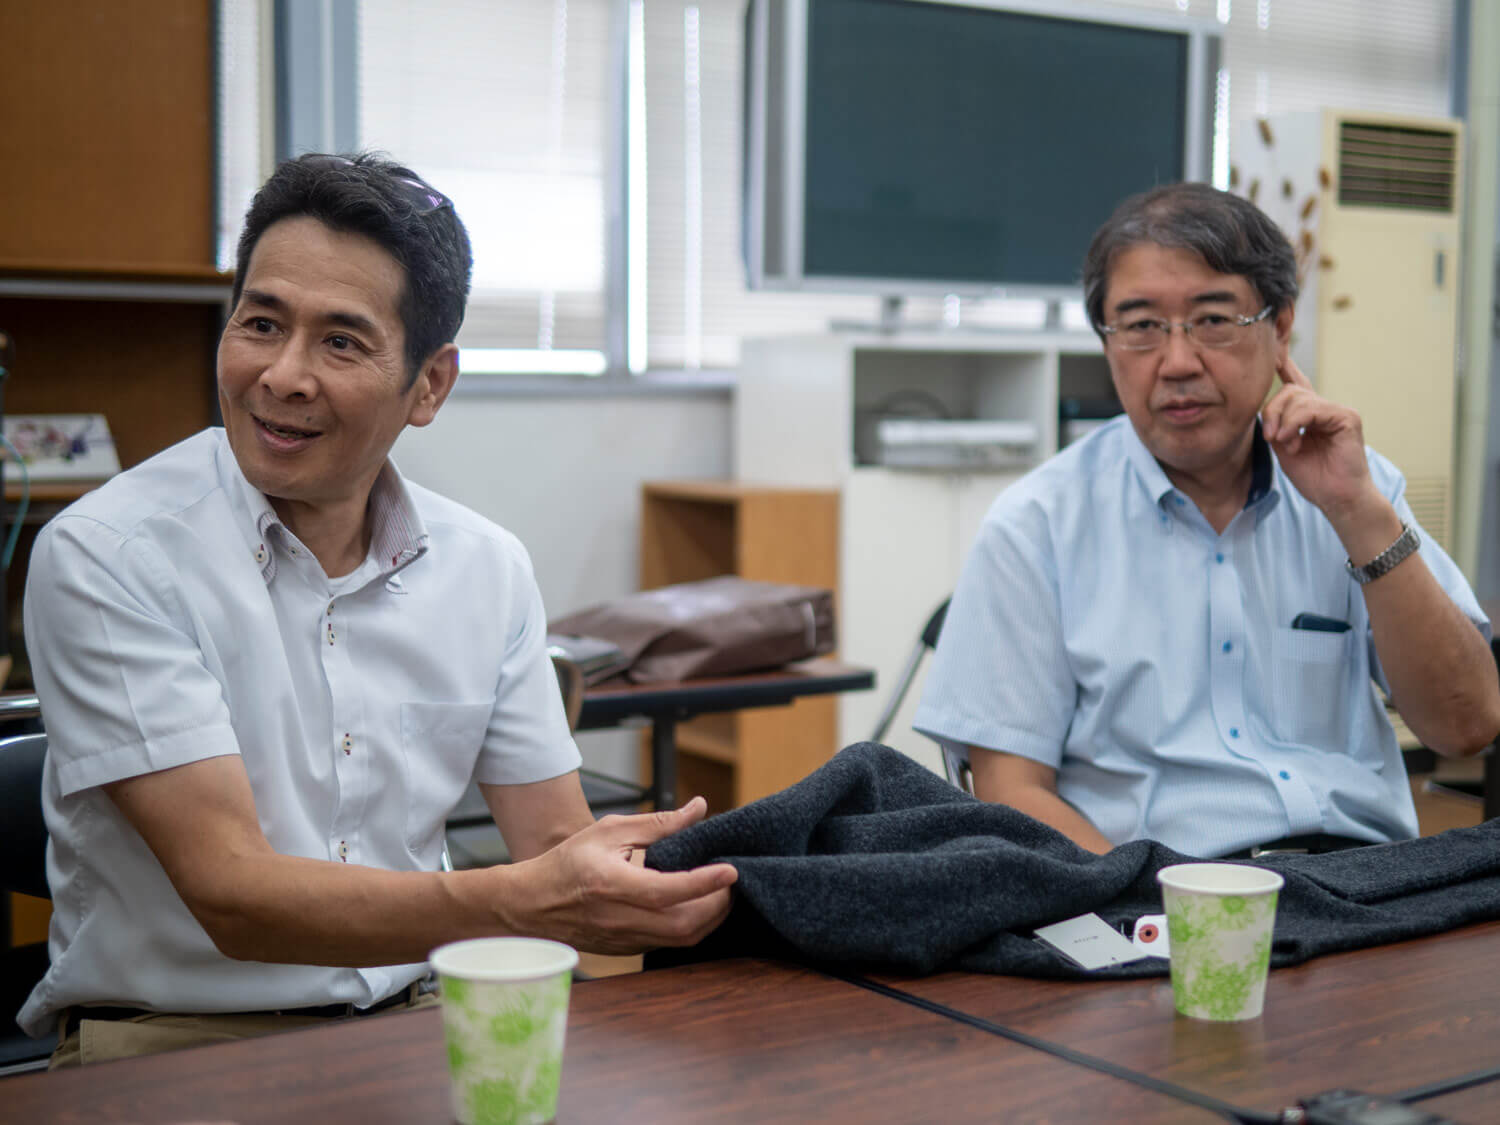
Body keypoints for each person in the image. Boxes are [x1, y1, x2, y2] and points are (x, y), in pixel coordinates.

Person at [18, 153, 736, 1064]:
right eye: (261, 323)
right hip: (176, 1048)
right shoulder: (109, 553)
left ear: (430, 384)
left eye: (341, 342)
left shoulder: (486, 568)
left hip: (422, 1022)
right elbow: (232, 894)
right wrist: (519, 898)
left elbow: (556, 844)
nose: (282, 375)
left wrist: (720, 887)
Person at [914, 182, 1500, 859]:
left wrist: (1358, 515)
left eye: (1214, 319)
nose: (1178, 362)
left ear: (1280, 328)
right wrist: (1162, 903)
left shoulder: (1360, 490)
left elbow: (1468, 725)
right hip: (1154, 890)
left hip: (1359, 882)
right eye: (1141, 326)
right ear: (1106, 342)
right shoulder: (1036, 525)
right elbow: (1010, 788)